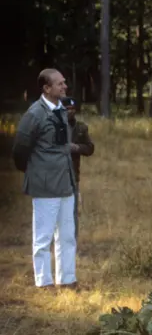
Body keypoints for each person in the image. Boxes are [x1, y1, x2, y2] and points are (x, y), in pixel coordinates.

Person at [12, 68, 78, 290]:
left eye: (64, 82)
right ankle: (44, 283)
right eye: (59, 84)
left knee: (67, 236)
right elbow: (20, 150)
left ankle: (67, 280)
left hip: (65, 182)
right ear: (46, 88)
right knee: (43, 239)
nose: (64, 86)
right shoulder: (34, 115)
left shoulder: (62, 110)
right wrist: (36, 172)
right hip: (45, 186)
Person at [61, 97, 94, 240]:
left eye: (72, 109)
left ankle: (72, 240)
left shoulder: (81, 128)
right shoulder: (54, 126)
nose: (70, 112)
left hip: (73, 176)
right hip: (56, 175)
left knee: (72, 211)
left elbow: (90, 148)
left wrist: (76, 147)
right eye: (67, 109)